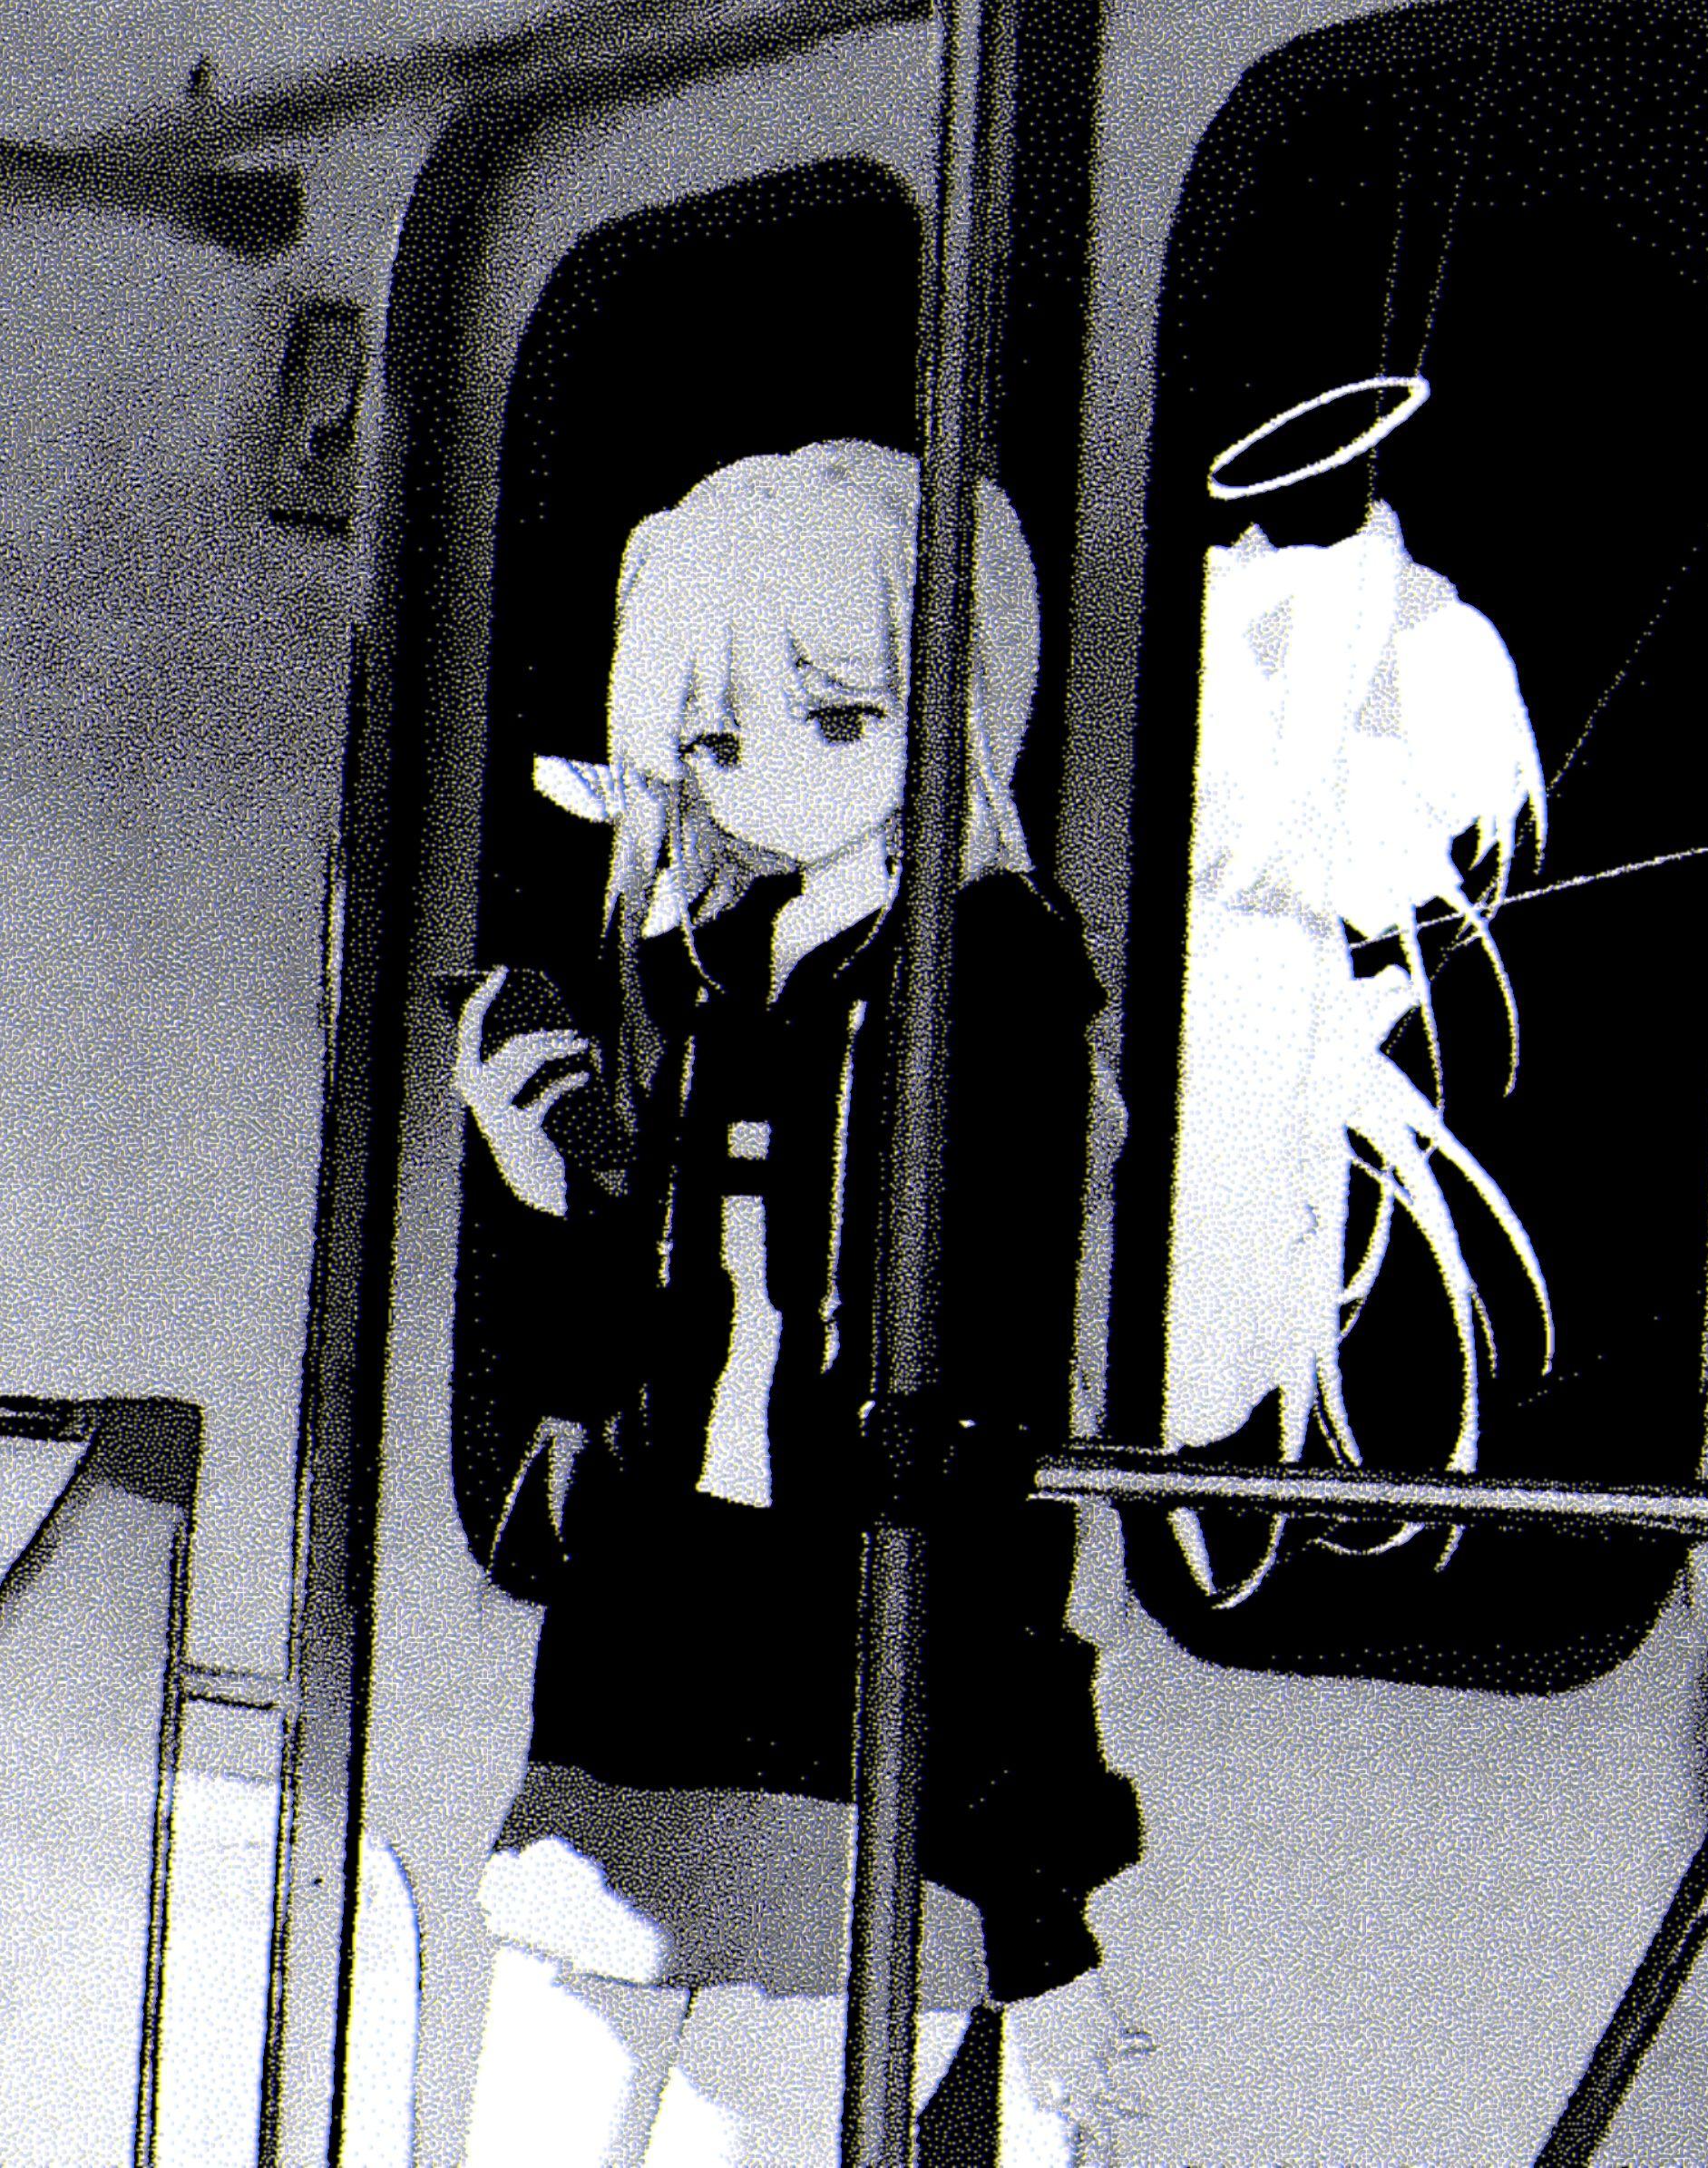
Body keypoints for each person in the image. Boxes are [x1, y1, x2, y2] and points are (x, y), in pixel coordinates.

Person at [449, 441, 1143, 2168]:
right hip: (650, 1646)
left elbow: (981, 1464)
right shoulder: (722, 976)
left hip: (859, 1681)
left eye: (838, 717)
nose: (762, 775)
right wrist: (550, 1196)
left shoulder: (991, 978)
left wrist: (1037, 1920)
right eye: (713, 738)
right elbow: (664, 1338)